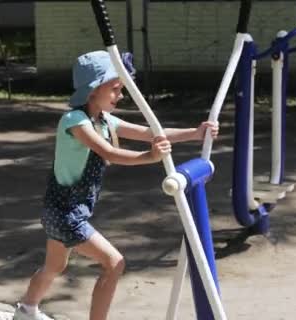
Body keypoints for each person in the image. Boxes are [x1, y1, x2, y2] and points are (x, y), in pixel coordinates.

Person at [13, 50, 219, 320]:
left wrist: (195, 133)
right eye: (114, 89)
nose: (119, 95)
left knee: (54, 266)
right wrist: (151, 157)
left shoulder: (105, 121)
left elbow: (151, 133)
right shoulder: (75, 121)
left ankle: (26, 309)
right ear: (92, 91)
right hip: (65, 213)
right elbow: (109, 153)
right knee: (114, 263)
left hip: (64, 209)